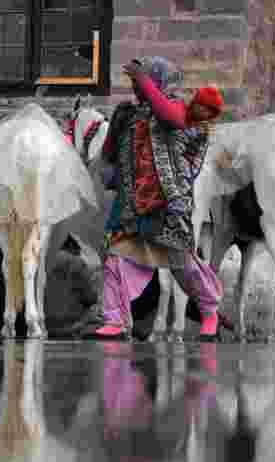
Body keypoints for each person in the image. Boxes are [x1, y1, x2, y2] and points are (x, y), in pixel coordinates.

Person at [87, 57, 224, 341]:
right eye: (135, 83)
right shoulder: (128, 115)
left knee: (184, 266)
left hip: (167, 206)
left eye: (142, 82)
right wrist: (111, 167)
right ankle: (115, 320)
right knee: (115, 259)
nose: (137, 88)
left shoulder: (177, 110)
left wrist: (146, 82)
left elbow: (171, 119)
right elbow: (111, 154)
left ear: (159, 82)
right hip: (131, 207)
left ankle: (209, 311)